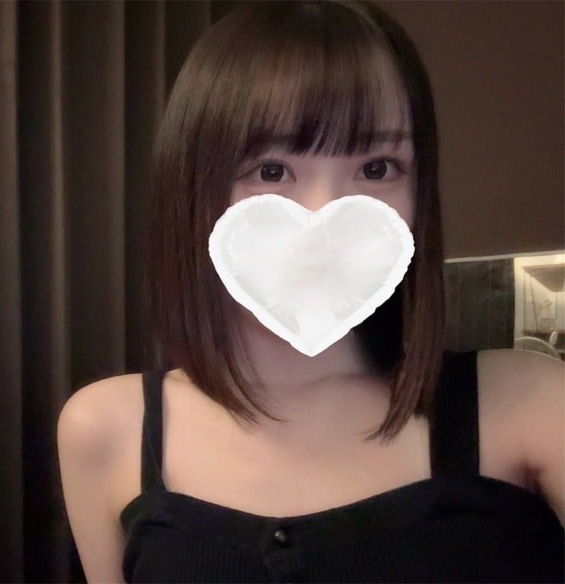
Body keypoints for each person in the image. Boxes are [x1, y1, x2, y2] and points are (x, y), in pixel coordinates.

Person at [57, 2, 564, 582]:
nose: (325, 211)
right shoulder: (106, 429)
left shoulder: (532, 403)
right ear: (193, 187)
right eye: (271, 171)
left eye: (377, 169)